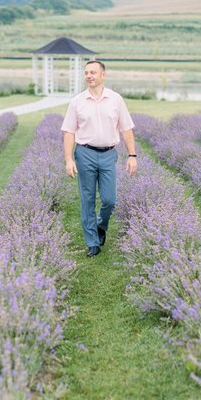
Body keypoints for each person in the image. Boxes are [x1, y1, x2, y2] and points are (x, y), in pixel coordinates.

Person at [61, 60, 137, 257]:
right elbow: (69, 132)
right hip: (84, 153)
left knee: (110, 199)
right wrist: (69, 159)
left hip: (108, 154)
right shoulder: (77, 101)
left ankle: (101, 225)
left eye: (93, 72)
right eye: (86, 73)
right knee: (87, 199)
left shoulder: (116, 99)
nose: (89, 76)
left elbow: (126, 128)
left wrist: (132, 155)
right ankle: (92, 242)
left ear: (103, 75)